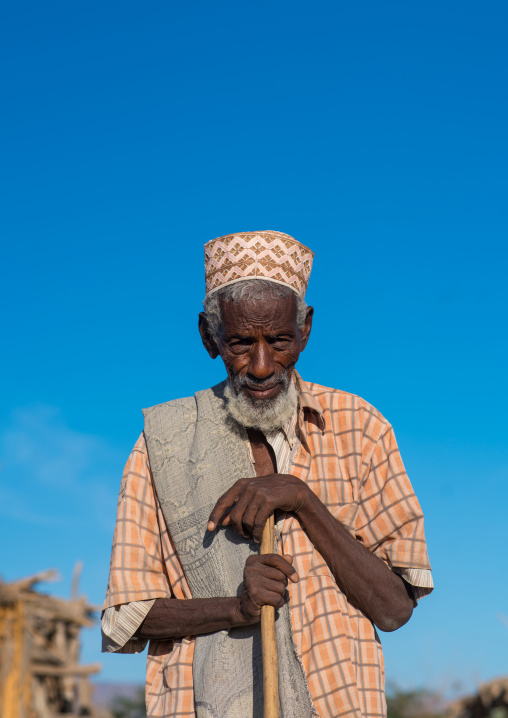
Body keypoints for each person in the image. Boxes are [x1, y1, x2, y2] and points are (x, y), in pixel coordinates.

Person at [102, 231, 433, 718]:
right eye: (240, 342)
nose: (260, 366)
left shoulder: (361, 428)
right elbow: (126, 616)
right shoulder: (162, 442)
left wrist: (301, 499)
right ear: (208, 337)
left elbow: (394, 608)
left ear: (305, 331)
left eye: (278, 341)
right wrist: (234, 609)